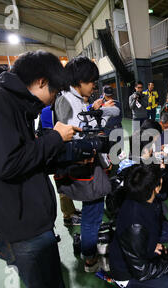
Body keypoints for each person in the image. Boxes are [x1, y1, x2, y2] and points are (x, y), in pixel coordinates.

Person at [0, 50, 79, 288]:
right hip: (21, 229)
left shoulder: (13, 104)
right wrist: (55, 138)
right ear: (40, 81)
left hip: (29, 222)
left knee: (50, 287)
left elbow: (24, 158)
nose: (53, 100)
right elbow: (8, 164)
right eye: (54, 91)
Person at [55, 56, 113, 272]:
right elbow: (70, 136)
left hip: (86, 164)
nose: (93, 86)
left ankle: (89, 253)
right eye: (91, 81)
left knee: (93, 212)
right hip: (83, 166)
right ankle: (90, 259)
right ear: (80, 80)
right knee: (92, 214)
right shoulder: (66, 100)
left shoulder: (76, 99)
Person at [109, 164, 168, 288]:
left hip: (134, 250)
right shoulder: (136, 225)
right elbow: (142, 272)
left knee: (167, 231)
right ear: (156, 188)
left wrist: (151, 246)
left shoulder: (141, 197)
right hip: (127, 275)